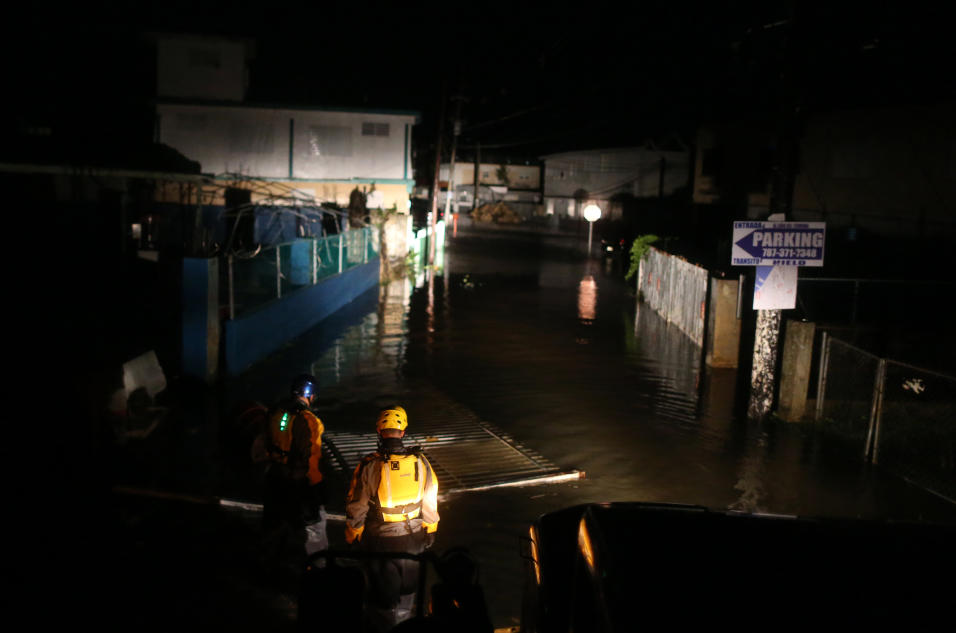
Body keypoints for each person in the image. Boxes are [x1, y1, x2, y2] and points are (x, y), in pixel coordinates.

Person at [345, 406, 439, 631]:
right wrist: (431, 529)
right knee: (408, 593)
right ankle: (406, 626)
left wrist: (353, 535)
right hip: (414, 539)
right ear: (403, 432)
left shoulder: (369, 464)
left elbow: (356, 505)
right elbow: (431, 495)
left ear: (379, 431)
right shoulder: (420, 461)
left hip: (380, 541)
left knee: (382, 601)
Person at [260, 373, 328, 570]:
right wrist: (318, 487)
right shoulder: (309, 420)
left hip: (274, 477)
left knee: (273, 526)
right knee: (315, 528)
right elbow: (311, 459)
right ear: (310, 395)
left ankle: (268, 566)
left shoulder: (275, 412)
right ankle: (319, 569)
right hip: (297, 482)